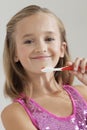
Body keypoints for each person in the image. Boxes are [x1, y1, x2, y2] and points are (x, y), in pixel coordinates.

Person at [1, 5, 87, 130]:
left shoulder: (83, 93)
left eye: (49, 39)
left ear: (62, 49)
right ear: (14, 53)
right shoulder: (15, 113)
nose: (41, 48)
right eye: (29, 41)